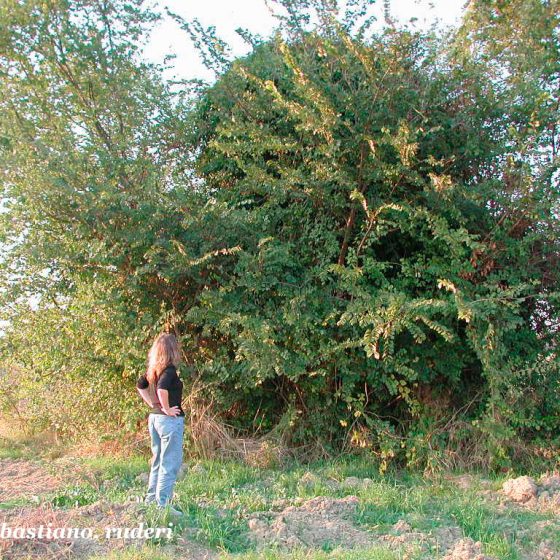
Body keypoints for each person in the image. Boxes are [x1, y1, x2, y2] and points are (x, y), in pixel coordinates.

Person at [136, 332, 185, 516]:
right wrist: (166, 409)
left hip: (154, 419)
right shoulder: (169, 371)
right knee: (169, 463)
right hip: (168, 421)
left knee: (157, 461)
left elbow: (141, 386)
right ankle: (162, 504)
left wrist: (152, 404)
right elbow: (162, 388)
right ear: (172, 351)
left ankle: (151, 500)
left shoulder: (153, 371)